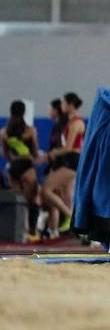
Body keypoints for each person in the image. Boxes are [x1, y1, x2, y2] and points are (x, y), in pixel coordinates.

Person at [39, 92, 84, 238]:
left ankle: (71, 216)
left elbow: (69, 147)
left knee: (46, 189)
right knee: (64, 194)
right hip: (69, 160)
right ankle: (68, 222)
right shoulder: (70, 121)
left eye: (64, 103)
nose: (62, 106)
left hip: (72, 161)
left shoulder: (77, 122)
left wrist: (50, 154)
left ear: (70, 105)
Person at [3, 101, 44, 242]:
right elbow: (35, 152)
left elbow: (5, 153)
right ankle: (32, 232)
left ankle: (17, 231)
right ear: (24, 112)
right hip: (27, 167)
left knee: (18, 199)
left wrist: (13, 161)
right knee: (34, 199)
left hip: (13, 168)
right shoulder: (30, 131)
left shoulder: (4, 132)